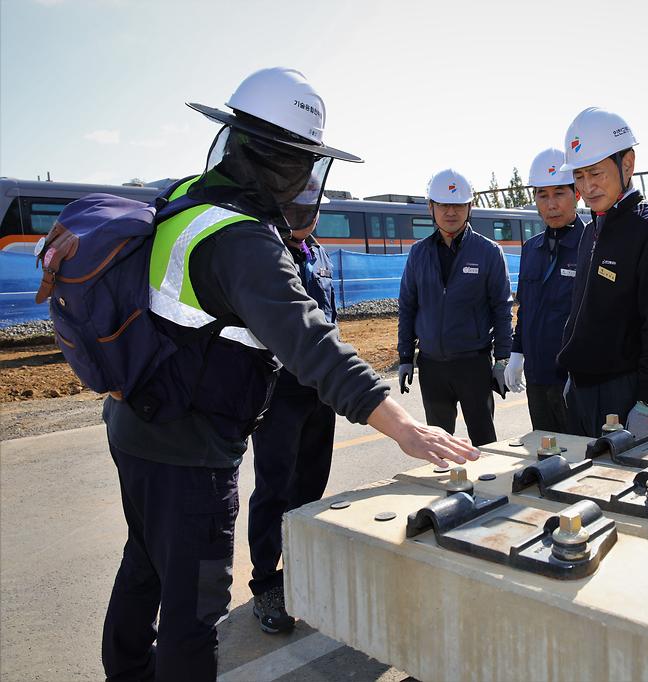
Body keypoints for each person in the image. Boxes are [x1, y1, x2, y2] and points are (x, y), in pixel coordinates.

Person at [101, 67, 477, 682]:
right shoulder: (242, 239)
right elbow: (312, 345)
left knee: (143, 564)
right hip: (188, 446)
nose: (307, 181)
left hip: (136, 423)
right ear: (281, 162)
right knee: (195, 607)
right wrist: (405, 428)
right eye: (303, 164)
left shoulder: (190, 198)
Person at [557, 107, 648, 440]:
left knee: (623, 489)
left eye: (596, 173)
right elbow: (581, 312)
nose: (587, 187)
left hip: (625, 393)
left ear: (626, 164)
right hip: (582, 391)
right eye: (579, 176)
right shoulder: (591, 230)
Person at [247, 204, 337, 635]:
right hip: (278, 392)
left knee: (310, 486)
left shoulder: (318, 251)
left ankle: (300, 571)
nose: (305, 215)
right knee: (274, 488)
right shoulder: (261, 250)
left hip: (319, 391)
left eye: (311, 207)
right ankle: (266, 581)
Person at [397, 168, 513, 446]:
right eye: (444, 205)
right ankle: (447, 489)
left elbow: (502, 309)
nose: (451, 212)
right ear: (431, 208)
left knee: (485, 441)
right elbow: (408, 306)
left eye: (458, 205)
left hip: (473, 364)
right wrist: (404, 357)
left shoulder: (488, 252)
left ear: (470, 207)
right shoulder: (419, 253)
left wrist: (503, 359)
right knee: (438, 442)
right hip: (432, 366)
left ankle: (487, 488)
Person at [503, 148, 584, 432]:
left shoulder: (592, 245)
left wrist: (583, 370)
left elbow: (598, 318)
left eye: (559, 193)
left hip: (574, 377)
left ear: (577, 193)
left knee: (579, 458)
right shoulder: (531, 249)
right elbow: (526, 308)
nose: (551, 204)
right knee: (544, 454)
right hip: (537, 376)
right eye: (542, 194)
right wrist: (516, 354)